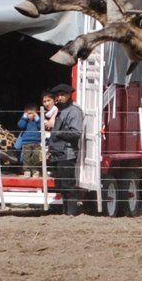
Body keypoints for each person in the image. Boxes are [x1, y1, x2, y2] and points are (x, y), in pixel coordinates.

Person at [48, 83, 83, 216]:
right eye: (57, 95)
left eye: (62, 95)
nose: (59, 97)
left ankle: (71, 212)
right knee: (62, 185)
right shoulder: (61, 111)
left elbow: (76, 133)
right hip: (58, 152)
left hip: (67, 152)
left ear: (69, 95)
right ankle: (66, 211)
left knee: (68, 184)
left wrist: (58, 133)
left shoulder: (74, 111)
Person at [16, 104, 42, 178]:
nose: (30, 115)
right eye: (29, 113)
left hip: (36, 142)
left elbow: (41, 126)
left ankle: (34, 171)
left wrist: (37, 118)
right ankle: (27, 171)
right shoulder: (25, 120)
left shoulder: (37, 121)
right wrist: (24, 117)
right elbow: (20, 126)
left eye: (32, 113)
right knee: (26, 157)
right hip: (26, 142)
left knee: (36, 157)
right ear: (25, 114)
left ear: (36, 113)